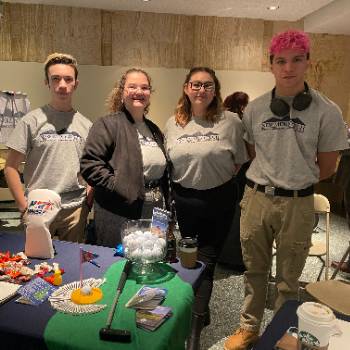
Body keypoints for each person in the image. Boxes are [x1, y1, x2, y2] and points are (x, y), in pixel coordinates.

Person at [224, 30, 349, 350]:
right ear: (272, 65)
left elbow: (327, 167)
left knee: (289, 278)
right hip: (255, 199)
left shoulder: (327, 111)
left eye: (296, 60)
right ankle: (248, 327)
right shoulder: (255, 109)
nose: (289, 68)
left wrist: (292, 177)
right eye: (281, 61)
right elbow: (253, 152)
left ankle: (282, 331)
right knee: (254, 269)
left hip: (297, 202)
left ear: (308, 62)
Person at [164, 67, 249, 350]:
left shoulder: (231, 122)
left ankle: (194, 330)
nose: (201, 90)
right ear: (186, 88)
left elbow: (239, 161)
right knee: (189, 259)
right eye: (196, 84)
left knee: (206, 262)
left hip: (219, 200)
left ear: (215, 90)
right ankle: (201, 311)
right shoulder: (172, 123)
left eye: (208, 85)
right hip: (185, 202)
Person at [4, 53, 92, 243]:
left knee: (72, 266)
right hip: (38, 209)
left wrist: (87, 203)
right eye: (56, 79)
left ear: (76, 83)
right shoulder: (31, 121)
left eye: (68, 79)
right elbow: (10, 167)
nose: (62, 84)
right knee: (37, 267)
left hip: (74, 210)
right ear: (47, 82)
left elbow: (91, 169)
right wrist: (23, 207)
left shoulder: (86, 125)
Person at [80, 68, 169, 248]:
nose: (139, 92)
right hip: (120, 209)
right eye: (132, 86)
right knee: (121, 262)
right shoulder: (107, 124)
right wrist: (120, 187)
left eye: (144, 87)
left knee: (153, 255)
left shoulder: (154, 129)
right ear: (122, 92)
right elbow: (90, 165)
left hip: (156, 209)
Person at [219, 92, 250, 272]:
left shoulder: (223, 120)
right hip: (240, 171)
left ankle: (225, 254)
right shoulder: (240, 122)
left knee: (231, 213)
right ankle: (235, 257)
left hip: (229, 171)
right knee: (238, 213)